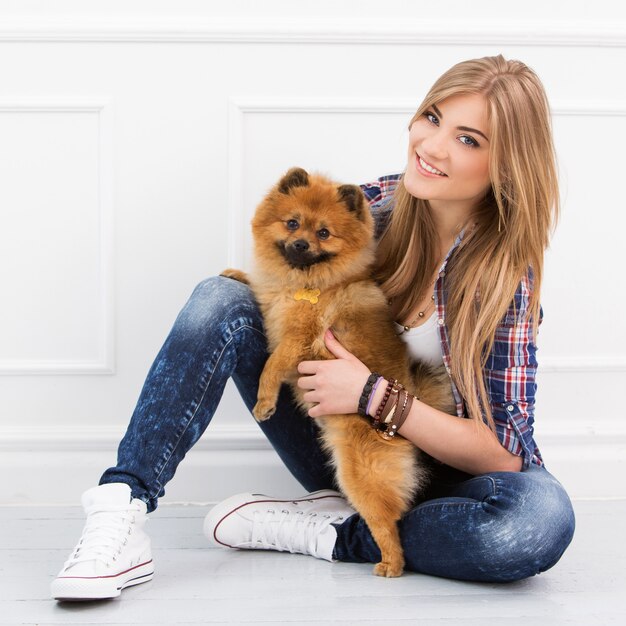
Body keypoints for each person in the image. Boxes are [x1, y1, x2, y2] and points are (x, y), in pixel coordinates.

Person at [51, 55, 575, 601]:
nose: (432, 145)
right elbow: (286, 264)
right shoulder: (375, 207)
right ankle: (120, 506)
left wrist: (373, 394)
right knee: (220, 298)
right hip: (343, 448)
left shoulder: (505, 276)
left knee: (539, 522)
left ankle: (337, 533)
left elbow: (506, 454)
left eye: (468, 139)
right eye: (432, 117)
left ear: (507, 164)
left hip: (452, 484)